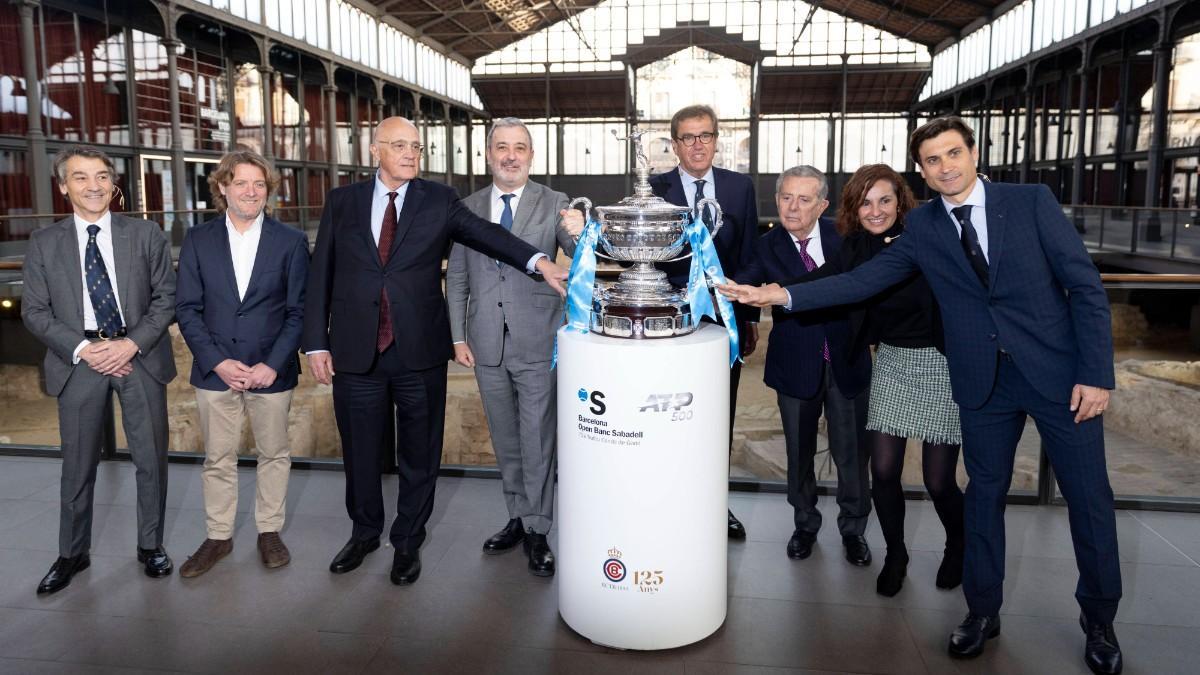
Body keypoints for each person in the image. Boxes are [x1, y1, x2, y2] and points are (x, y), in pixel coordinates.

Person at [719, 117, 1122, 675]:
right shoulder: (926, 227)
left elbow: (1084, 285)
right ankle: (982, 611)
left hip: (1059, 378)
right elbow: (861, 281)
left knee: (1088, 499)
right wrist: (781, 294)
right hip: (981, 382)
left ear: (974, 153)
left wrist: (1096, 373)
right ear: (923, 170)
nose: (946, 167)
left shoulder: (1030, 202)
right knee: (982, 498)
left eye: (954, 154)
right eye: (933, 160)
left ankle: (1099, 620)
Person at [303, 117, 568, 587]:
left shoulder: (439, 200)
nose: (410, 154)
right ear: (374, 150)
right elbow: (320, 270)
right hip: (354, 349)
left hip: (418, 349)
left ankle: (407, 540)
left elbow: (490, 236)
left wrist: (538, 260)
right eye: (399, 145)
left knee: (420, 454)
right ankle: (364, 533)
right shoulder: (342, 202)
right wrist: (316, 342)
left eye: (416, 147)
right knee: (360, 452)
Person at [790, 164, 964, 596]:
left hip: (940, 363)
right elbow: (827, 280)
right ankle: (897, 555)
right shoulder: (855, 247)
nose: (875, 210)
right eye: (866, 202)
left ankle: (958, 544)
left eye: (885, 200)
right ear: (854, 207)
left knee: (938, 480)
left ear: (901, 201)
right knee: (882, 470)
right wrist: (772, 290)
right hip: (890, 363)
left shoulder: (925, 238)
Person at [22, 145, 176, 593]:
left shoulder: (145, 234)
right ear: (63, 185)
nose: (94, 185)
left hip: (140, 357)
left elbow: (167, 298)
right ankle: (72, 553)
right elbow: (34, 311)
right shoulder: (44, 243)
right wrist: (86, 349)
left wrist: (129, 345)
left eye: (102, 176)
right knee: (77, 465)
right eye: (81, 177)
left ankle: (151, 546)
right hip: (79, 363)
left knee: (150, 460)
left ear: (114, 184)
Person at [446, 117, 573, 577]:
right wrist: (457, 336)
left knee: (537, 438)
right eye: (502, 146)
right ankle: (518, 516)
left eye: (520, 147)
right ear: (487, 154)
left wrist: (581, 229)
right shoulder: (466, 207)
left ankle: (539, 528)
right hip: (484, 344)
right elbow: (457, 276)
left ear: (531, 156)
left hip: (538, 337)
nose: (511, 155)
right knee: (506, 438)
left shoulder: (554, 202)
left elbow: (579, 255)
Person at [174, 150, 309, 577]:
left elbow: (298, 311)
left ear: (268, 191)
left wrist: (272, 364)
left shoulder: (290, 242)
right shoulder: (198, 240)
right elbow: (187, 309)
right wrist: (217, 362)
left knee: (274, 454)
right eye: (241, 183)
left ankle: (269, 531)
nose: (251, 192)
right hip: (216, 373)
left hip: (272, 371)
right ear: (222, 188)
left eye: (259, 184)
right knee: (218, 458)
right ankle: (218, 537)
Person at [737, 166, 873, 565]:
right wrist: (724, 286)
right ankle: (804, 524)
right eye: (785, 198)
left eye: (804, 199)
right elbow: (745, 278)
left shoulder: (847, 237)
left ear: (823, 204)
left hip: (846, 361)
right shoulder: (767, 246)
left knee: (851, 453)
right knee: (798, 452)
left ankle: (854, 530)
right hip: (795, 364)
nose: (792, 207)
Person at [649, 104, 760, 539]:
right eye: (687, 137)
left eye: (705, 136)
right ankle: (668, 499)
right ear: (674, 144)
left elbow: (750, 253)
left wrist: (746, 315)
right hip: (670, 319)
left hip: (723, 321)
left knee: (719, 414)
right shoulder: (654, 188)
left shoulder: (739, 187)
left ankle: (716, 504)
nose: (697, 145)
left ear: (716, 139)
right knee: (669, 411)